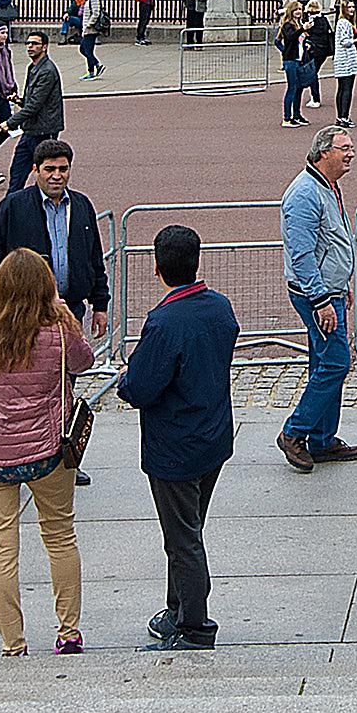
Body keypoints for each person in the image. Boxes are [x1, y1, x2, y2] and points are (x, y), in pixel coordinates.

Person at [0, 246, 92, 658]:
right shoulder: (57, 332)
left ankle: (12, 641)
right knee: (59, 535)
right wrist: (64, 314)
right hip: (48, 448)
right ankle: (68, 632)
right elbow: (84, 361)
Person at [118, 223, 239, 652]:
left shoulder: (164, 321)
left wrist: (126, 382)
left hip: (175, 445)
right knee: (189, 528)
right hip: (212, 437)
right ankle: (177, 609)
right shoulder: (220, 308)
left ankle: (194, 625)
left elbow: (143, 386)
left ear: (157, 269)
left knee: (183, 538)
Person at [276, 123, 357, 472]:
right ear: (324, 152)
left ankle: (322, 439)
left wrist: (341, 283)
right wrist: (322, 299)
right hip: (317, 295)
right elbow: (302, 255)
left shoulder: (327, 186)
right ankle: (295, 432)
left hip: (330, 290)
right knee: (337, 363)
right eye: (344, 147)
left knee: (324, 362)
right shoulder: (304, 195)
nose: (351, 153)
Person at [0, 139, 111, 340]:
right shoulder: (13, 207)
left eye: (63, 169)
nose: (57, 176)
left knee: (68, 368)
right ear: (35, 170)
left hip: (70, 310)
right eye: (49, 169)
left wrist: (100, 305)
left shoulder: (82, 205)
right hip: (24, 313)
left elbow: (94, 259)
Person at [6, 31, 67, 193]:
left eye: (35, 44)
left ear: (45, 47)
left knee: (47, 175)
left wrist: (10, 123)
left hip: (44, 130)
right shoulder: (33, 67)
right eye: (28, 44)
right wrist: (19, 100)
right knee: (17, 172)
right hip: (32, 129)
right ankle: (5, 215)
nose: (30, 47)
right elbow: (30, 101)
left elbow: (34, 106)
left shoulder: (47, 70)